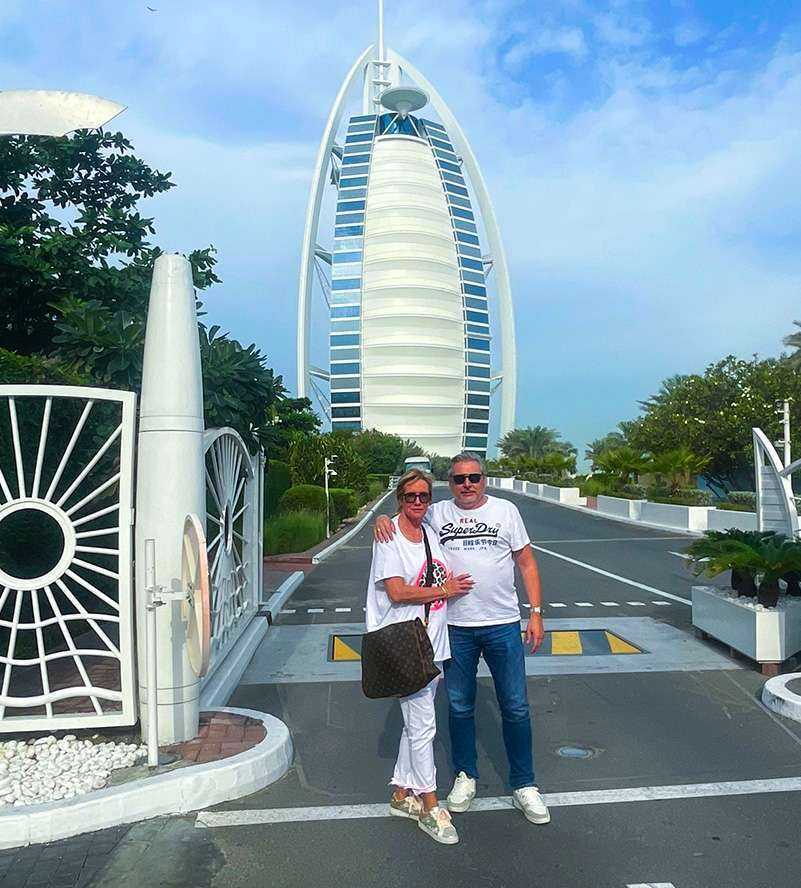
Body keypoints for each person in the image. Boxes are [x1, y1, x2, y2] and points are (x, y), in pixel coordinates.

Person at [375, 452, 550, 824]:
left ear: (484, 479)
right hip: (454, 627)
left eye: (473, 477)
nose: (466, 484)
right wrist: (380, 519)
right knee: (459, 707)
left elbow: (527, 563)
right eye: (458, 479)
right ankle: (465, 775)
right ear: (449, 484)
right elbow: (407, 514)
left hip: (502, 623)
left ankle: (524, 784)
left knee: (516, 706)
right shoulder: (438, 514)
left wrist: (535, 612)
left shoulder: (505, 512)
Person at [366, 468, 474, 845]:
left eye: (423, 497)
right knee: (424, 725)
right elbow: (396, 592)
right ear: (399, 499)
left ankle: (400, 794)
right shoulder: (389, 535)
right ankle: (429, 804)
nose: (416, 502)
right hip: (405, 644)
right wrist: (444, 588)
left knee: (416, 725)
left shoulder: (429, 531)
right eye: (409, 496)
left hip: (433, 643)